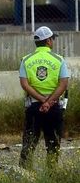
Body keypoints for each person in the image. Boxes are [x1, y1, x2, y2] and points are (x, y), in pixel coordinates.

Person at [19, 26, 70, 169]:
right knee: (53, 144)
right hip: (53, 107)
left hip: (33, 106)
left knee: (29, 143)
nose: (53, 41)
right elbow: (63, 84)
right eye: (52, 39)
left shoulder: (26, 60)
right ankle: (51, 175)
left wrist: (41, 100)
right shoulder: (59, 60)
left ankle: (24, 174)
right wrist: (49, 101)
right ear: (48, 41)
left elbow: (24, 84)